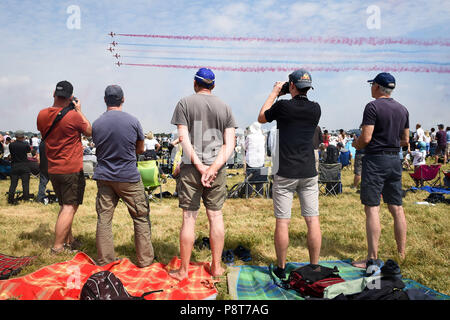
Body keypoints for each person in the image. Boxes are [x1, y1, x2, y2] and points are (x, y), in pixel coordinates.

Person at [169, 68, 236, 281]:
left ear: (195, 84)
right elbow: (230, 144)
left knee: (189, 218)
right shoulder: (225, 107)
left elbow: (183, 139)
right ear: (213, 85)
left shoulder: (184, 103)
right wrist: (213, 168)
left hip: (191, 169)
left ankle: (183, 271)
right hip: (217, 169)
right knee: (215, 216)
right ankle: (216, 267)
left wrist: (199, 166)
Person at [258, 68, 322, 280]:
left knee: (283, 221)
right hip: (308, 171)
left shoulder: (283, 106)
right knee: (312, 220)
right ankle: (314, 266)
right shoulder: (316, 109)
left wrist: (275, 92)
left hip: (286, 171)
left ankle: (281, 267)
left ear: (291, 86)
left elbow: (261, 117)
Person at [92, 85, 154, 267]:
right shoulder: (133, 121)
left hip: (104, 177)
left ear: (105, 100)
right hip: (128, 176)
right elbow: (140, 148)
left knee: (104, 219)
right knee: (141, 216)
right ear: (123, 99)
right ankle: (145, 260)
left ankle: (105, 261)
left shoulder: (97, 123)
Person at [352, 72, 409, 268]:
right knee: (397, 208)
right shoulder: (403, 109)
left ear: (377, 86)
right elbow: (405, 140)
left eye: (371, 85)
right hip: (395, 160)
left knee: (373, 208)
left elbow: (366, 138)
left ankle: (372, 258)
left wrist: (357, 144)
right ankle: (402, 253)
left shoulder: (372, 106)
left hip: (376, 160)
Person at [37, 80, 92, 254]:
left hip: (53, 168)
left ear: (54, 93)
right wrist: (79, 110)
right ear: (70, 97)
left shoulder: (42, 114)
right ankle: (58, 247)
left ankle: (70, 240)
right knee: (69, 207)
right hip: (71, 168)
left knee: (64, 206)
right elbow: (89, 131)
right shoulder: (73, 116)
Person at [7, 130, 31, 204]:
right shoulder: (26, 144)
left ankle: (10, 199)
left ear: (16, 136)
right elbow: (28, 152)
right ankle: (26, 198)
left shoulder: (11, 145)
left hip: (14, 165)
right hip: (24, 165)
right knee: (25, 183)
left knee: (13, 183)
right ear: (23, 136)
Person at [244, 122, 266, 196]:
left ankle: (249, 192)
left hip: (251, 162)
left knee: (249, 179)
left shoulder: (249, 137)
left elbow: (245, 147)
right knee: (260, 178)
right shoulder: (263, 137)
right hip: (261, 161)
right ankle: (260, 192)